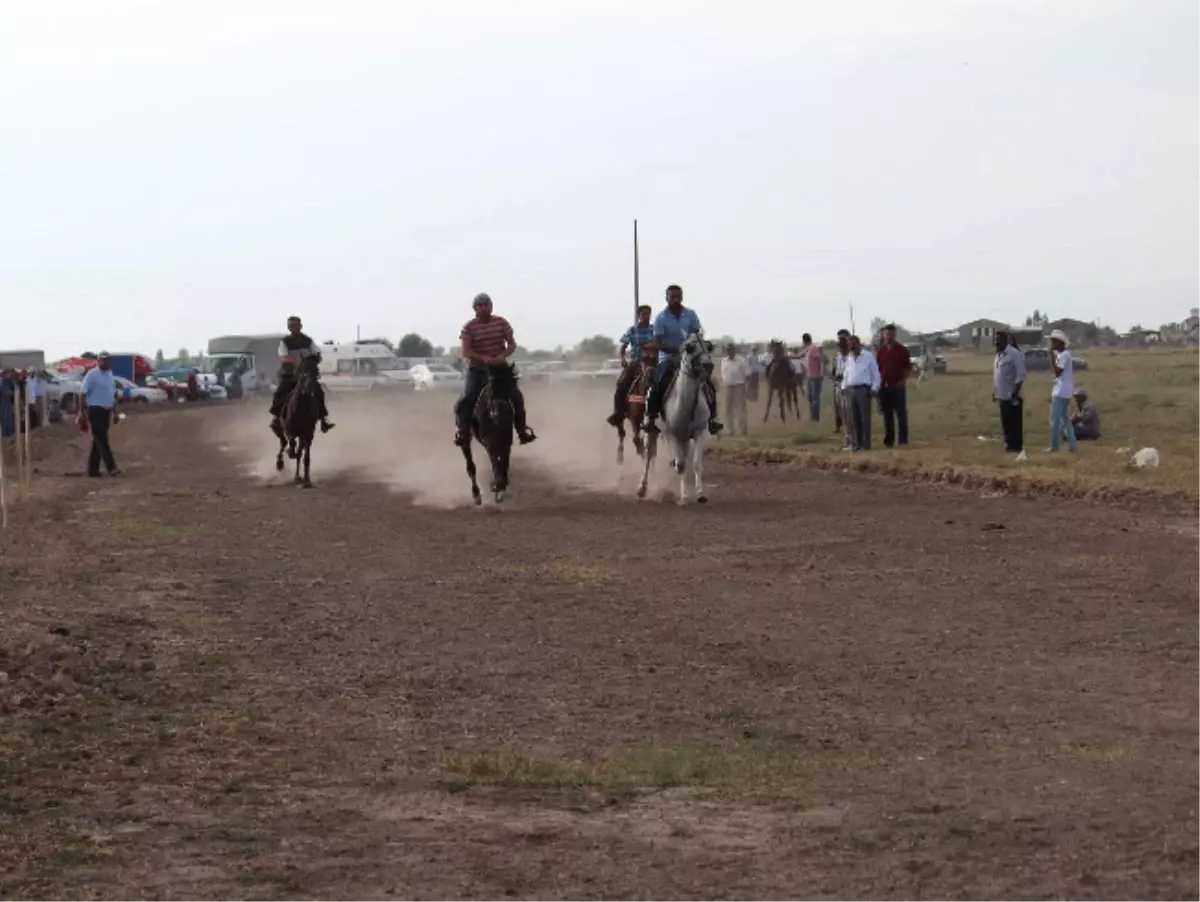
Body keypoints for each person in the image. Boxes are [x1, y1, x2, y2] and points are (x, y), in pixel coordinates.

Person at [455, 293, 536, 447]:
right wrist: (483, 358)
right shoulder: (469, 327)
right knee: (467, 398)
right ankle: (463, 432)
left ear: (491, 306)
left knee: (516, 396)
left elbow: (512, 345)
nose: (484, 307)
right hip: (477, 369)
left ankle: (521, 431)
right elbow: (466, 351)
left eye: (487, 304)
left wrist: (502, 355)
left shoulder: (501, 323)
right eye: (481, 305)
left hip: (499, 369)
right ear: (475, 309)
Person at [643, 284, 722, 435]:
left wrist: (697, 349)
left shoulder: (690, 314)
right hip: (668, 358)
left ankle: (713, 418)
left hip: (691, 357)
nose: (675, 300)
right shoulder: (661, 318)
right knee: (658, 382)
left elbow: (696, 335)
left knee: (707, 381)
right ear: (666, 298)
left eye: (678, 296)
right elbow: (658, 343)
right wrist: (679, 351)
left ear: (682, 297)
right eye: (672, 297)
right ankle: (651, 418)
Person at [271, 316, 335, 433]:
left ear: (300, 326)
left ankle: (322, 419)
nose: (292, 328)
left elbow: (317, 353)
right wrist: (299, 362)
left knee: (319, 391)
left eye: (294, 325)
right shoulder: (285, 342)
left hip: (306, 375)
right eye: (290, 326)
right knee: (280, 392)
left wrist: (313, 361)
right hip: (291, 375)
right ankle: (276, 418)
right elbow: (284, 358)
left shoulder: (308, 341)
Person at [607, 305, 655, 427]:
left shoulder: (654, 330)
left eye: (648, 314)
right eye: (644, 314)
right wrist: (623, 359)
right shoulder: (633, 330)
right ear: (639, 316)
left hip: (652, 363)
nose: (646, 316)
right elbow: (623, 346)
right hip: (635, 363)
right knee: (621, 384)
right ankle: (618, 413)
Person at [77, 352, 121, 477]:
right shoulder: (92, 375)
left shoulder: (110, 375)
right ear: (98, 361)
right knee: (102, 439)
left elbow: (112, 395)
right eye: (104, 360)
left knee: (98, 443)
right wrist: (81, 412)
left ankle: (92, 470)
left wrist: (115, 413)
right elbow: (82, 393)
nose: (106, 362)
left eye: (108, 360)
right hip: (95, 410)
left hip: (106, 411)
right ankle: (111, 467)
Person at [841, 334, 880, 451]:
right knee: (854, 418)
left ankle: (865, 444)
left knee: (865, 418)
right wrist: (843, 387)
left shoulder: (868, 356)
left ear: (858, 344)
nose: (851, 348)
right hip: (851, 390)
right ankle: (857, 444)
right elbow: (846, 374)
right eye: (849, 345)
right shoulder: (849, 358)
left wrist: (875, 388)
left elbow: (876, 374)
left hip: (864, 389)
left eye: (853, 345)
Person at [875, 324, 911, 447]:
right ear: (883, 335)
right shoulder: (880, 351)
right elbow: (877, 369)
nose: (888, 337)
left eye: (890, 334)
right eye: (886, 334)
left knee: (901, 414)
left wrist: (903, 381)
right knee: (887, 415)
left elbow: (907, 367)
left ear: (894, 335)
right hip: (884, 386)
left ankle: (903, 440)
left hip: (898, 386)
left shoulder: (902, 350)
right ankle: (889, 440)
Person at [993, 330, 1025, 453]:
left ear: (1005, 341)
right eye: (995, 340)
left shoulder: (1014, 354)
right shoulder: (998, 356)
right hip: (1002, 394)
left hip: (1013, 395)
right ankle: (1008, 444)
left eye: (998, 340)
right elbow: (997, 375)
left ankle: (1016, 446)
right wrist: (995, 391)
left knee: (1014, 422)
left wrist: (1015, 391)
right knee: (1005, 421)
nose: (996, 342)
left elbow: (1021, 374)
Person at [1048, 329, 1078, 452]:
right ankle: (1073, 445)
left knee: (1055, 420)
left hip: (1060, 391)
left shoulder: (1064, 355)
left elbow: (1058, 372)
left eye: (1054, 341)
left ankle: (1055, 447)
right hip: (1063, 390)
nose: (1052, 343)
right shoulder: (1062, 355)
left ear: (1060, 342)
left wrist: (1051, 356)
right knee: (1065, 419)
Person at [719, 343, 750, 436]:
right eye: (728, 350)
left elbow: (748, 374)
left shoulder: (741, 360)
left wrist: (747, 387)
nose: (730, 351)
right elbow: (723, 374)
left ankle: (743, 430)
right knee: (727, 410)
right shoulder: (723, 361)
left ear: (734, 350)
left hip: (739, 386)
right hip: (727, 387)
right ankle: (730, 430)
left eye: (731, 349)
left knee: (740, 409)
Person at [831, 330, 850, 440]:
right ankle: (838, 425)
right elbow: (834, 368)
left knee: (848, 408)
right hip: (838, 384)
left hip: (847, 384)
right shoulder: (837, 355)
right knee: (838, 407)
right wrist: (834, 376)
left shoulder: (851, 355)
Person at [801, 334, 824, 422]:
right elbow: (799, 355)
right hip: (810, 377)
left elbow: (819, 359)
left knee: (815, 398)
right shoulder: (807, 349)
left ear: (804, 341)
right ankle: (812, 416)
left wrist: (819, 372)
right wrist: (787, 357)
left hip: (815, 377)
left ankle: (815, 418)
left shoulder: (813, 348)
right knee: (810, 397)